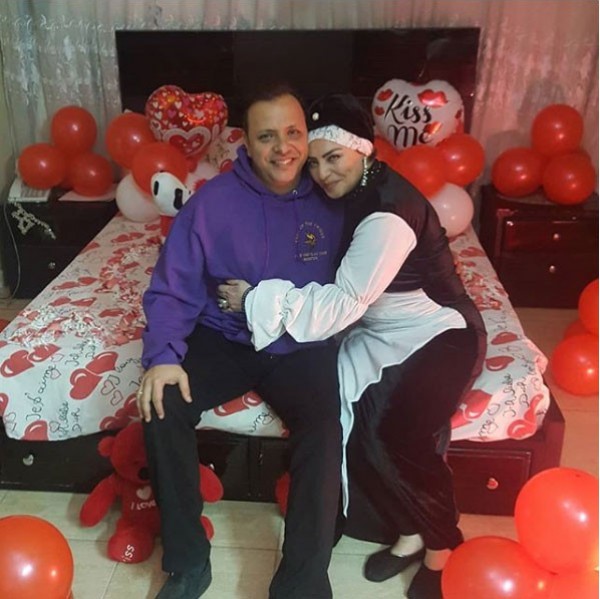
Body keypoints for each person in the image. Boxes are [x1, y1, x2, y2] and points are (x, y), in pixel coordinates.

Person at [217, 94, 487, 599]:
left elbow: (344, 301)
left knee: (399, 435)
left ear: (362, 149)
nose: (322, 173)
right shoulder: (345, 191)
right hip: (378, 329)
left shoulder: (389, 213)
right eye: (314, 162)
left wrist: (256, 298)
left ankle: (443, 545)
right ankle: (408, 533)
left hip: (439, 331)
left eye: (333, 158)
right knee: (356, 426)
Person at [137, 84, 345, 599]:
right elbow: (173, 285)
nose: (283, 148)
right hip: (226, 337)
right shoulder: (212, 203)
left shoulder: (335, 197)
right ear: (246, 143)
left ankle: (301, 583)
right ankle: (188, 562)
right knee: (163, 400)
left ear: (308, 136)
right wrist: (163, 356)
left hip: (299, 345)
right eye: (267, 136)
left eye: (293, 133)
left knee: (324, 427)